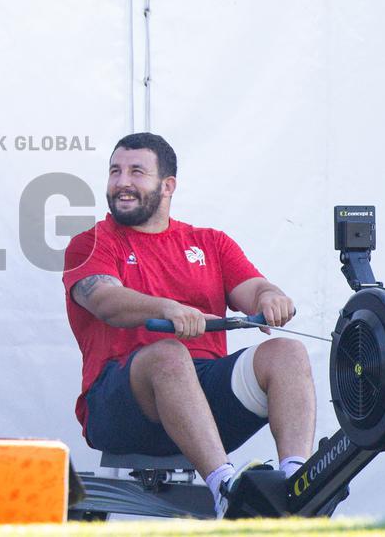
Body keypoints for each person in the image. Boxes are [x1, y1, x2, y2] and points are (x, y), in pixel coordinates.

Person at [62, 132, 315, 516]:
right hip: (119, 404)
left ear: (168, 186)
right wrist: (168, 308)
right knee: (168, 354)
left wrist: (270, 296)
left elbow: (255, 289)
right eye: (114, 171)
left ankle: (298, 486)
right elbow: (104, 301)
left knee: (288, 352)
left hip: (202, 400)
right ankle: (226, 491)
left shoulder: (210, 242)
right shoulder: (90, 242)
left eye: (136, 172)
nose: (122, 182)